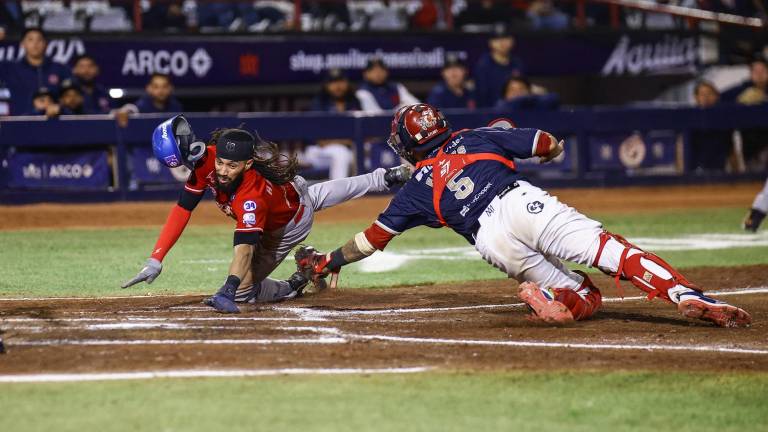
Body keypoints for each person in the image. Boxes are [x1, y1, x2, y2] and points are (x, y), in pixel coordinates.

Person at [296, 103, 752, 328]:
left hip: (490, 240)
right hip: (521, 202)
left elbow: (369, 240)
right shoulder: (477, 137)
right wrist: (508, 135)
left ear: (411, 146)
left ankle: (554, 297)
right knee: (611, 251)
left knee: (585, 295)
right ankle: (688, 296)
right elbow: (548, 143)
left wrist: (327, 262)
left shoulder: (414, 189)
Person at [122, 115, 411, 313]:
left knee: (243, 294)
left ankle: (298, 279)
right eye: (220, 162)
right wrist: (156, 258)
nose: (222, 170)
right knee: (316, 193)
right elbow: (183, 208)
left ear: (248, 165)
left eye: (231, 166)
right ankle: (386, 176)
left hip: (288, 225)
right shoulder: (208, 160)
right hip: (290, 192)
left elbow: (245, 249)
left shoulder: (251, 197)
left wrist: (229, 287)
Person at [305, 68, 360, 179]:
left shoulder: (353, 102)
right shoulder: (319, 103)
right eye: (333, 82)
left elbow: (362, 131)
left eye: (341, 81)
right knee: (341, 154)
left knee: (366, 154)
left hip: (349, 149)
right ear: (326, 85)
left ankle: (372, 195)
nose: (338, 86)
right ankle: (337, 194)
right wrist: (346, 141)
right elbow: (320, 141)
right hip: (318, 151)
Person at [4, 28, 70, 115]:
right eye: (30, 39)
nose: (35, 44)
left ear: (46, 44)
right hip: (19, 122)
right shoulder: (10, 68)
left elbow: (71, 96)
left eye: (39, 40)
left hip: (54, 122)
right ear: (22, 44)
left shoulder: (60, 69)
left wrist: (60, 107)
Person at [472, 24, 525, 108]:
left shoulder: (517, 63)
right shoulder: (483, 66)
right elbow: (481, 98)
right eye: (497, 39)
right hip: (491, 114)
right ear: (490, 43)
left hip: (516, 111)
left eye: (505, 38)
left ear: (512, 41)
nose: (502, 42)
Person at [689, 80, 733, 173]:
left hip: (720, 169)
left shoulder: (724, 119)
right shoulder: (690, 118)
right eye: (702, 94)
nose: (706, 97)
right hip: (695, 170)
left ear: (716, 96)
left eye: (709, 93)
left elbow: (731, 148)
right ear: (696, 97)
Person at [495, 76, 560, 110]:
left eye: (521, 89)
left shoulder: (534, 104)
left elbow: (554, 98)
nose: (517, 93)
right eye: (512, 90)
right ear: (505, 94)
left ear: (528, 91)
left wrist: (540, 93)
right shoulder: (502, 106)